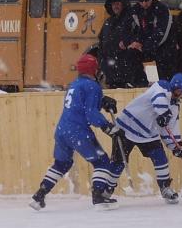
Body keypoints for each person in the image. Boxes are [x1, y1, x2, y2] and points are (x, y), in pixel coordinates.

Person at [29, 54, 124, 210]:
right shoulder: (93, 86)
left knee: (61, 164)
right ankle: (99, 197)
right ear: (93, 69)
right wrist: (108, 127)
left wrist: (102, 100)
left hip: (62, 130)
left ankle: (39, 196)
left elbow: (79, 103)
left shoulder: (74, 84)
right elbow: (91, 113)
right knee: (102, 162)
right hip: (78, 131)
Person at [105, 73, 182, 204]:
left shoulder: (174, 107)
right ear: (176, 87)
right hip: (127, 127)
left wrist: (177, 146)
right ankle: (106, 191)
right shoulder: (162, 86)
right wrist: (163, 113)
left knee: (161, 159)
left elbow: (169, 128)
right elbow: (158, 100)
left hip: (147, 134)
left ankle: (165, 188)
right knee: (119, 161)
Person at [98, 0, 148, 88]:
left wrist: (127, 44)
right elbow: (101, 44)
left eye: (118, 3)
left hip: (131, 77)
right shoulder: (108, 22)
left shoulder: (132, 19)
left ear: (123, 3)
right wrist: (102, 63)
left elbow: (139, 37)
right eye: (113, 3)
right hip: (112, 77)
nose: (115, 6)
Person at [131, 0, 177, 80]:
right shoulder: (135, 10)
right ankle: (139, 83)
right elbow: (135, 29)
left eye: (146, 0)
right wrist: (135, 42)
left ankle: (167, 89)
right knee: (131, 55)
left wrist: (144, 46)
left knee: (166, 75)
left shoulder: (162, 9)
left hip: (165, 47)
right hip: (147, 46)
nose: (144, 3)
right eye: (141, 1)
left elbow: (162, 34)